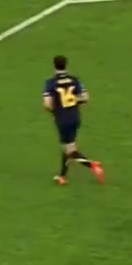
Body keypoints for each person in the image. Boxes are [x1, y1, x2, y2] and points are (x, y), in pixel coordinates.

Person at [43, 55, 103, 186]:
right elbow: (85, 98)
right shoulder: (75, 80)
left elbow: (47, 104)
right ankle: (62, 176)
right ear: (66, 65)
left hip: (62, 120)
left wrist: (55, 111)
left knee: (70, 150)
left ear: (54, 66)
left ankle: (93, 166)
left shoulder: (50, 83)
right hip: (75, 117)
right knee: (68, 147)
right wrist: (74, 101)